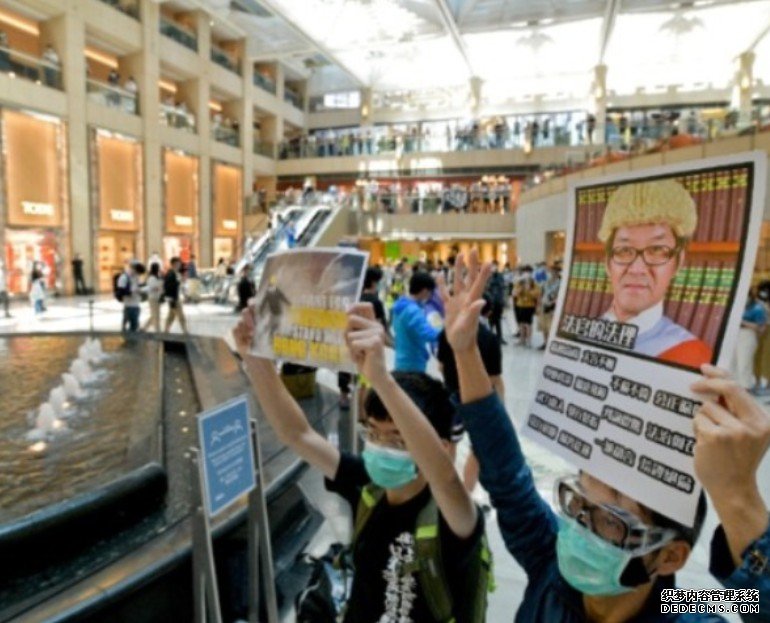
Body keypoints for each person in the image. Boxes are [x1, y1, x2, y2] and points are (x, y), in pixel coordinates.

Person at [443, 249, 770, 623]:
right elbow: (506, 475)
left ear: (670, 557)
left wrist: (738, 497)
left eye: (610, 521)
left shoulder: (687, 609)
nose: (579, 534)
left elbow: (750, 605)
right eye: (577, 504)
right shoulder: (553, 570)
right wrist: (465, 353)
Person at [232, 302, 488, 623]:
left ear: (442, 446)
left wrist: (382, 380)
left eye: (398, 438)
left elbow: (446, 479)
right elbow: (297, 434)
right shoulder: (370, 486)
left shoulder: (453, 517)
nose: (382, 448)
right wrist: (255, 360)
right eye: (374, 433)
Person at [598, 180, 712, 368]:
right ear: (607, 263)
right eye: (624, 250)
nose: (637, 269)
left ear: (678, 262)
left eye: (657, 250)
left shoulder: (694, 356)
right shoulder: (577, 336)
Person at [436, 295, 503, 494]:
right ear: (488, 313)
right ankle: (466, 493)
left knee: (449, 444)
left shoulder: (446, 333)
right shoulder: (491, 339)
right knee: (476, 451)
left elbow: (440, 365)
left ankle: (444, 492)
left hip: (450, 399)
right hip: (479, 403)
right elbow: (494, 379)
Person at [338, 266, 392, 410]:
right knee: (365, 383)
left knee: (349, 374)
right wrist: (391, 344)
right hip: (367, 346)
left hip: (351, 341)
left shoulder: (355, 298)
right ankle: (362, 415)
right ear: (374, 282)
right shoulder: (375, 302)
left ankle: (345, 398)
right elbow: (380, 328)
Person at [391, 271, 441, 373]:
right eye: (430, 292)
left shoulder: (399, 306)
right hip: (413, 363)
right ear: (424, 290)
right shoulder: (413, 311)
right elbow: (428, 334)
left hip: (401, 359)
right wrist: (446, 332)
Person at [730, 288, 768, 390]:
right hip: (735, 334)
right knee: (733, 362)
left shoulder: (757, 308)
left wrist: (742, 322)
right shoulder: (739, 305)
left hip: (748, 335)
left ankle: (744, 387)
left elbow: (761, 328)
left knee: (744, 363)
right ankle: (732, 387)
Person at [513, 270, 539, 347]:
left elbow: (537, 295)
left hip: (529, 306)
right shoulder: (519, 284)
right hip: (520, 305)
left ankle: (529, 341)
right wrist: (520, 289)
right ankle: (521, 339)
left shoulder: (534, 285)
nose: (526, 280)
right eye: (524, 278)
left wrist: (529, 290)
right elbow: (514, 293)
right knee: (521, 323)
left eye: (527, 278)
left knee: (528, 324)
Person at [117, 260, 144, 333]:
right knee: (131, 325)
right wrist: (131, 291)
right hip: (129, 305)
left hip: (136, 303)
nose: (138, 274)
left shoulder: (136, 277)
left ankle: (131, 336)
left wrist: (140, 290)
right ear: (133, 268)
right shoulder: (124, 277)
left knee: (133, 324)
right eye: (137, 272)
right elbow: (121, 291)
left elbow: (139, 286)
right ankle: (130, 338)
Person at [538, 265, 561, 350]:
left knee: (551, 327)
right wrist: (540, 303)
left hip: (553, 307)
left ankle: (550, 344)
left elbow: (560, 296)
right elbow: (541, 293)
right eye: (552, 271)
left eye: (555, 272)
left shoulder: (560, 283)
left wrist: (552, 302)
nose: (553, 273)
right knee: (543, 326)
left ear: (558, 273)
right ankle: (545, 343)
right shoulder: (546, 282)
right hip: (544, 306)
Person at [163, 257, 188, 334]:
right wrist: (179, 282)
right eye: (178, 263)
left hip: (175, 297)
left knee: (171, 316)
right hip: (174, 298)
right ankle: (185, 332)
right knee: (181, 316)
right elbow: (168, 286)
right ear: (174, 264)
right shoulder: (170, 273)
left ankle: (166, 331)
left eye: (179, 263)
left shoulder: (175, 273)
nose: (179, 265)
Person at [484, 263, 507, 344]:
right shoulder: (487, 277)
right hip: (490, 301)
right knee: (490, 320)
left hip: (498, 301)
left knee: (497, 320)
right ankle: (490, 336)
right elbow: (486, 287)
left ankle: (499, 337)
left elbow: (502, 286)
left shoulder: (499, 277)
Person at [141, 262, 163, 333]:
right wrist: (159, 287)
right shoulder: (152, 278)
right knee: (155, 315)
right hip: (153, 298)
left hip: (157, 297)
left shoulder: (157, 277)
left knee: (155, 315)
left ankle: (144, 328)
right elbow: (152, 288)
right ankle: (157, 330)